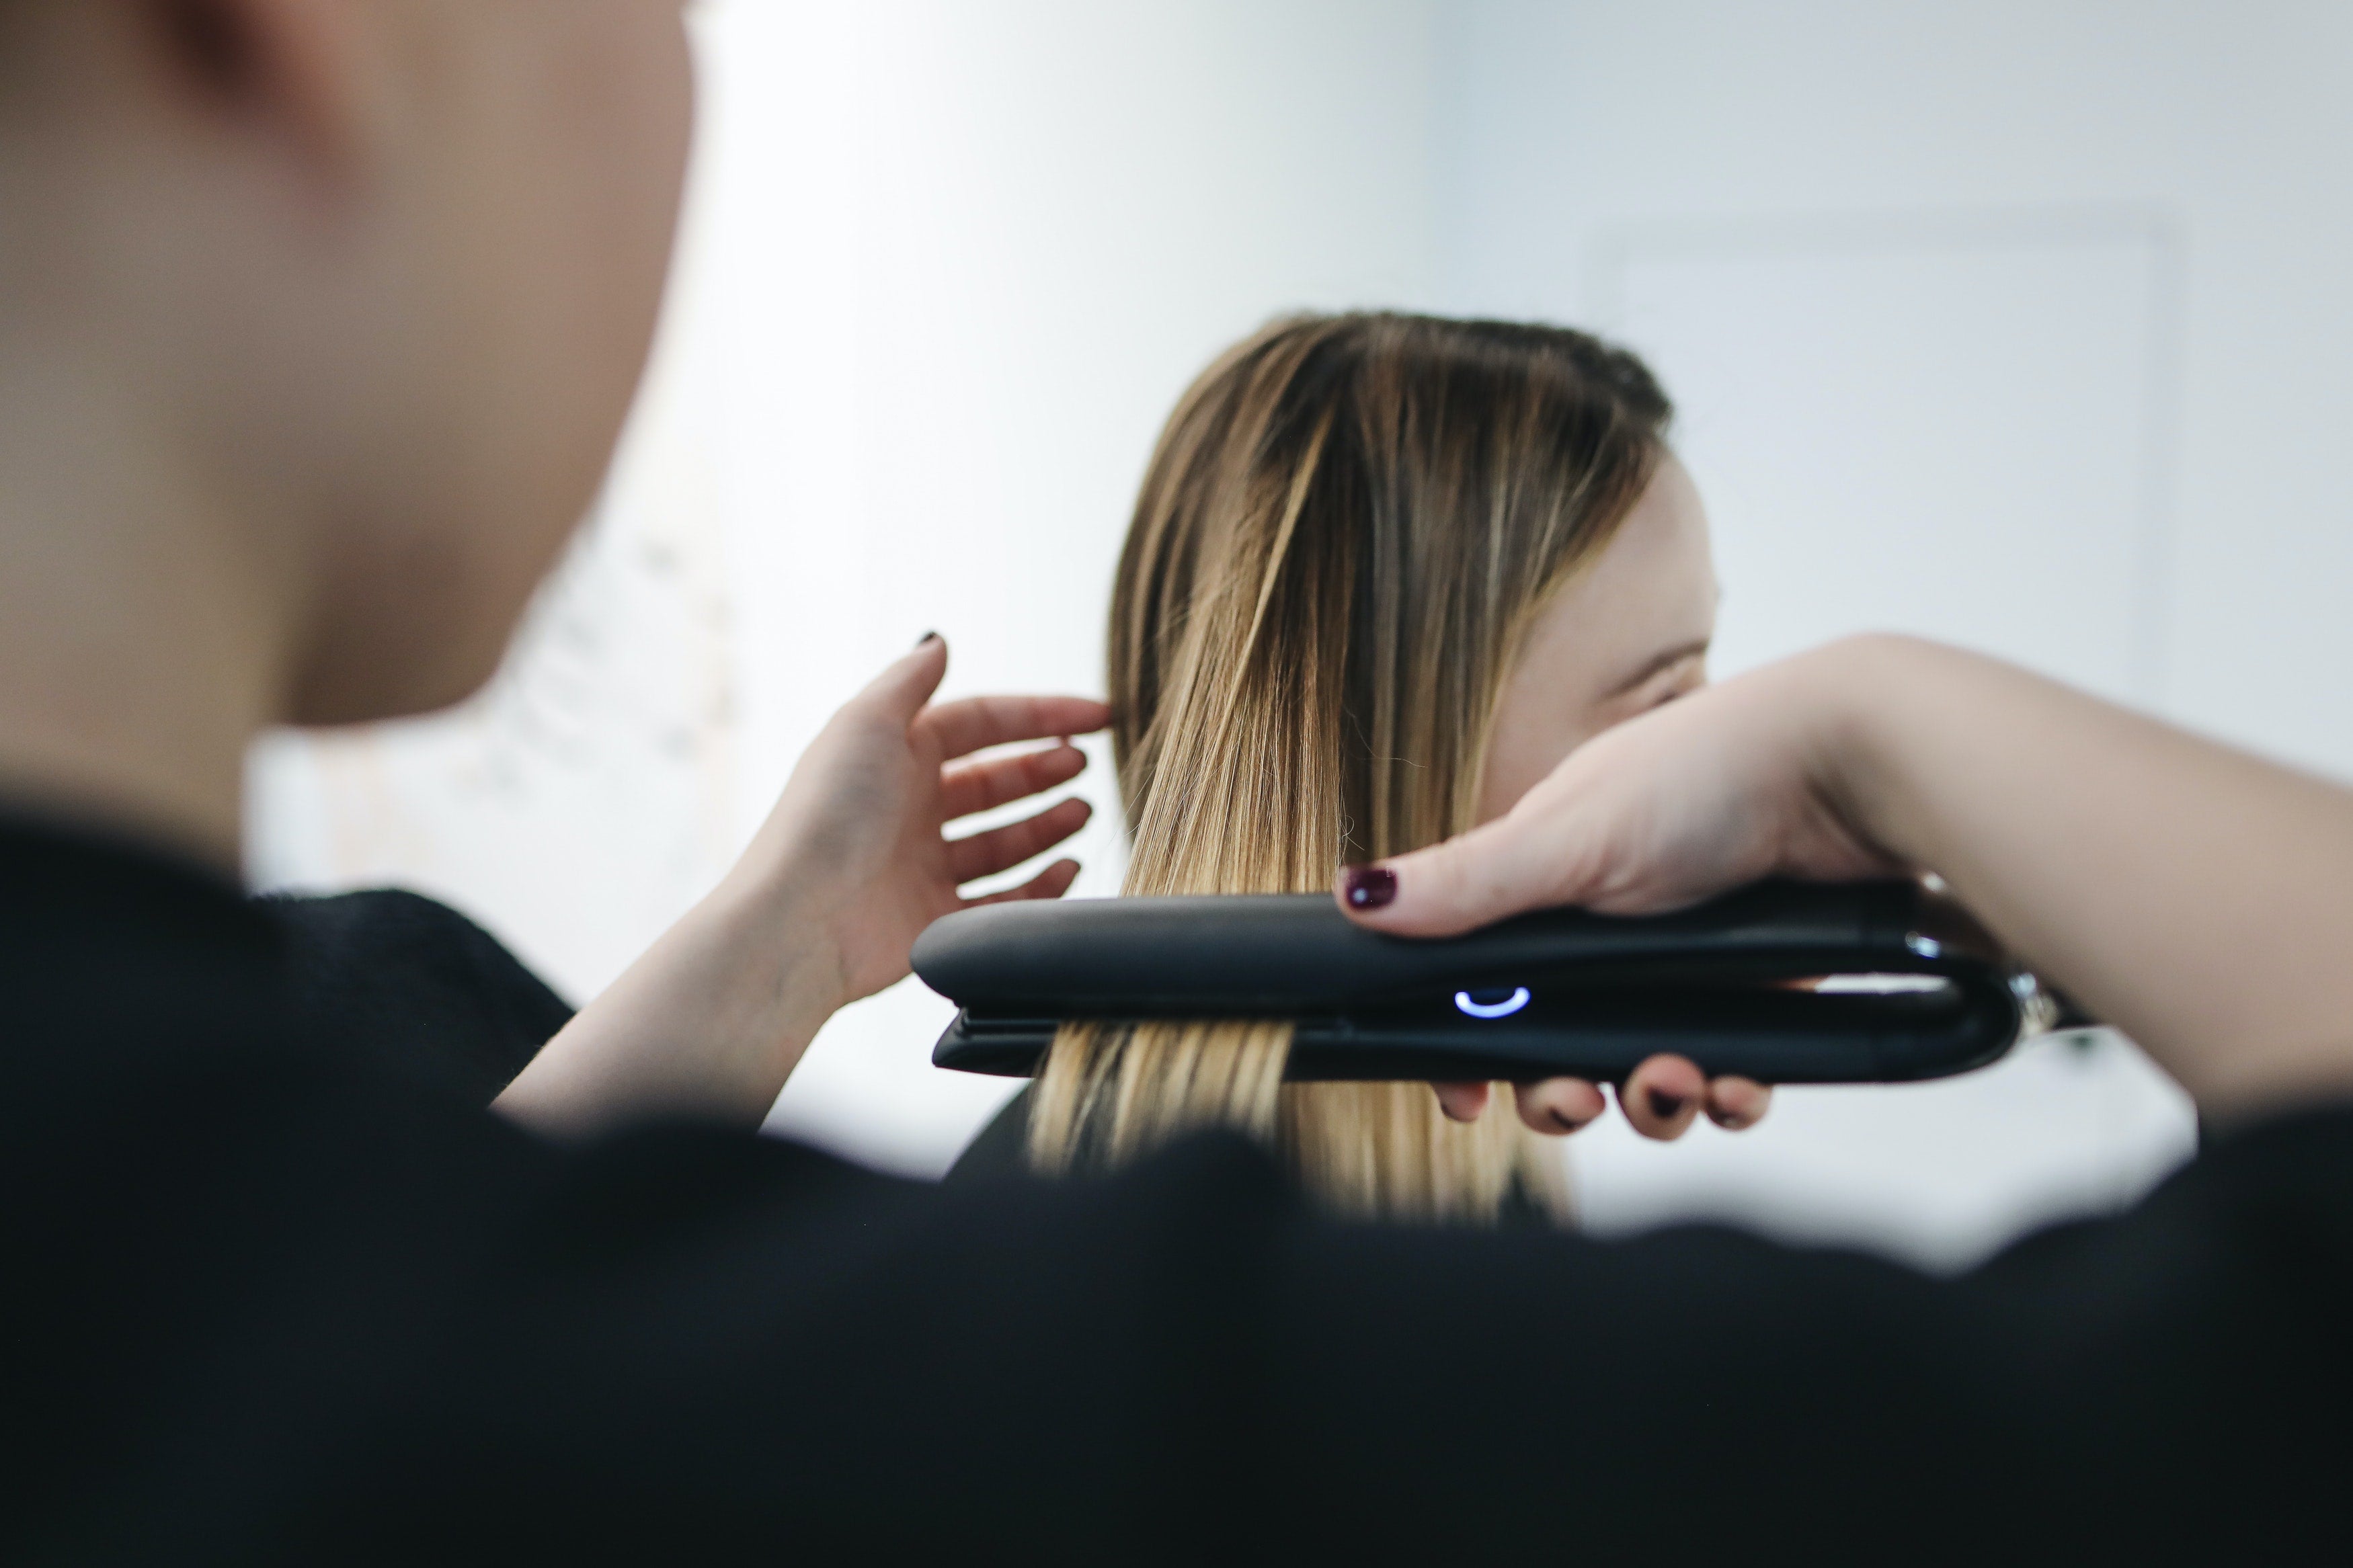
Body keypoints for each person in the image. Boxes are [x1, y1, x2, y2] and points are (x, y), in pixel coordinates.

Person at [7, 1, 2353, 1560]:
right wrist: (1887, 714)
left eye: (1729, 699)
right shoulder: (1147, 1380)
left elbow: (377, 1333)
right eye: (1673, 701)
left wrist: (766, 948)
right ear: (309, 36)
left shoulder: (275, 1197)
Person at [974, 311, 1772, 1222]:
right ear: (1416, 734)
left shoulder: (1482, 1160)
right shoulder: (1087, 1232)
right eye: (1665, 695)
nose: (1730, 759)